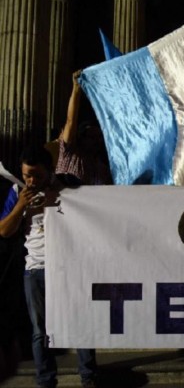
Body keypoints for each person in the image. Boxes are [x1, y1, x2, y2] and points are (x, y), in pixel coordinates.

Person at [0, 146, 97, 388]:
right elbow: (4, 230)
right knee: (39, 330)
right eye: (27, 175)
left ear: (50, 170)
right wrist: (21, 206)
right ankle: (45, 379)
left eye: (37, 175)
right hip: (36, 269)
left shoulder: (69, 185)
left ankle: (88, 376)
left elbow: (94, 209)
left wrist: (62, 197)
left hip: (69, 266)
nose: (31, 181)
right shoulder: (17, 192)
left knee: (79, 323)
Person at [55, 70, 112, 186]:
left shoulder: (103, 169)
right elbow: (70, 121)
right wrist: (76, 89)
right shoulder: (69, 154)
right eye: (92, 137)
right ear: (81, 137)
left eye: (99, 138)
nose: (96, 141)